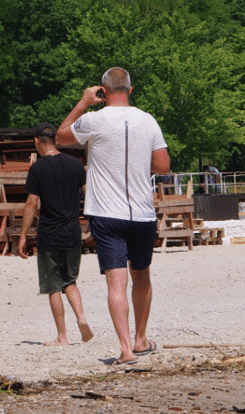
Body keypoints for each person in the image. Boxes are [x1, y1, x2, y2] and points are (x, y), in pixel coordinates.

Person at [57, 67, 170, 365]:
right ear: (130, 90)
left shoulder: (93, 119)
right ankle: (141, 338)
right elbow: (163, 165)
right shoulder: (148, 121)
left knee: (116, 283)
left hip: (106, 213)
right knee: (142, 276)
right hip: (142, 212)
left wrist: (82, 103)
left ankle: (125, 349)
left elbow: (60, 137)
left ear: (103, 92)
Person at [17, 122, 94, 346]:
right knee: (70, 281)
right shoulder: (76, 165)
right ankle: (81, 318)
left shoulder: (37, 169)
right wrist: (92, 221)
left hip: (49, 234)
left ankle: (62, 336)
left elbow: (31, 203)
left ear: (36, 141)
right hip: (72, 232)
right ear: (56, 140)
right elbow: (88, 195)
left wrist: (23, 235)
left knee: (53, 287)